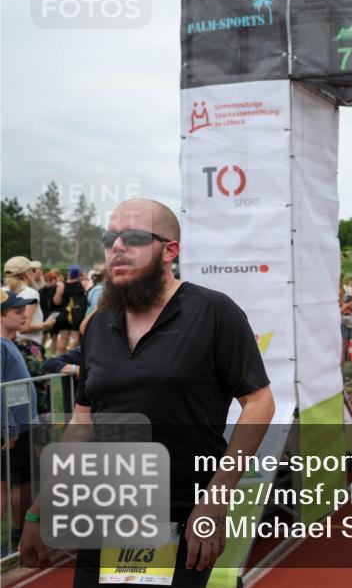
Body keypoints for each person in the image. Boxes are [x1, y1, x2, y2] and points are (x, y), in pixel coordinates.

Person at [19, 198, 276, 587]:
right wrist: (40, 510)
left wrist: (216, 499)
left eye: (134, 237)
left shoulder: (214, 312)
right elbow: (82, 423)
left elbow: (260, 403)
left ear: (170, 250)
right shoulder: (98, 325)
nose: (117, 247)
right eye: (110, 238)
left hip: (182, 523)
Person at [1, 290, 40, 552]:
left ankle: (17, 533)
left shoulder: (8, 342)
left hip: (20, 425)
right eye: (17, 312)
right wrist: (9, 428)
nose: (24, 315)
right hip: (14, 428)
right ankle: (16, 533)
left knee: (18, 481)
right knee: (5, 484)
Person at [3, 257, 56, 411]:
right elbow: (24, 327)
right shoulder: (30, 293)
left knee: (15, 394)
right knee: (39, 393)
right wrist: (46, 324)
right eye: (32, 270)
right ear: (26, 273)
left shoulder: (3, 292)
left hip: (10, 345)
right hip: (29, 346)